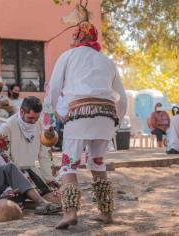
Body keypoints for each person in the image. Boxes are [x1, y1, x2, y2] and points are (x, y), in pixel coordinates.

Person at [49, 21, 127, 229]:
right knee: (97, 162)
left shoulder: (67, 56)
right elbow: (122, 97)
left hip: (79, 115)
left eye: (73, 36)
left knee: (69, 164)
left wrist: (60, 113)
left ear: (78, 37)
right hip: (105, 116)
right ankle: (106, 212)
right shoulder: (107, 61)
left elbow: (55, 88)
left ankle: (70, 213)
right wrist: (116, 121)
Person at [0, 96, 60, 202]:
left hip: (32, 170)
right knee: (23, 196)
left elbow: (44, 154)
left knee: (54, 191)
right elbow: (3, 157)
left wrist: (49, 178)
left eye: (36, 118)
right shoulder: (7, 127)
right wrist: (19, 178)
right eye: (30, 118)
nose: (33, 121)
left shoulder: (40, 124)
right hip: (14, 173)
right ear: (21, 111)